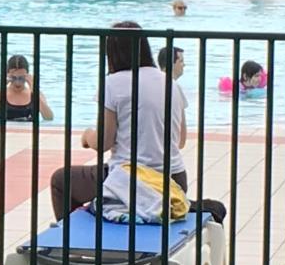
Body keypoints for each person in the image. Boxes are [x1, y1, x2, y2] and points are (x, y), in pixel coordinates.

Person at [50, 23, 187, 220]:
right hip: (174, 180)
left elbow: (103, 142)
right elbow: (180, 141)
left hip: (131, 181)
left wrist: (88, 136)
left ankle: (73, 241)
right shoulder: (170, 83)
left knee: (61, 181)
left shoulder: (113, 83)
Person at [0, 55, 53, 122]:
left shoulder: (35, 93)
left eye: (21, 78)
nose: (18, 82)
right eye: (13, 78)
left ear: (27, 76)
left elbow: (48, 118)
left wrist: (33, 88)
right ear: (8, 76)